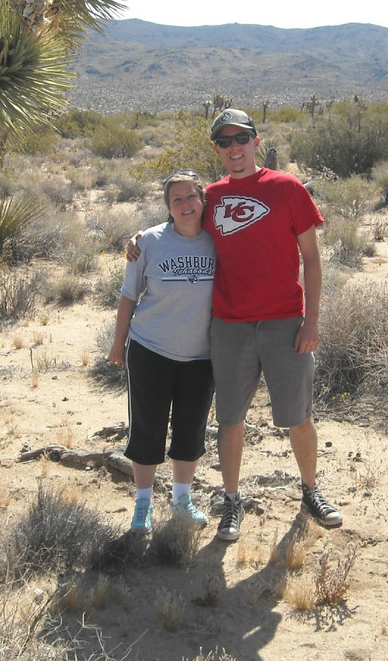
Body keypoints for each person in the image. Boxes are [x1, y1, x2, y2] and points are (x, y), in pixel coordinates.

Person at [128, 109, 343, 541]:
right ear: (217, 150)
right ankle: (231, 500)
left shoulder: (288, 188)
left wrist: (312, 320)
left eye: (241, 138)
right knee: (230, 419)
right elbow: (178, 223)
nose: (234, 148)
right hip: (229, 326)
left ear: (256, 141)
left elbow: (313, 258)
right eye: (224, 142)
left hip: (285, 321)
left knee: (298, 415)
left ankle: (310, 490)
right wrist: (136, 238)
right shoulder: (212, 197)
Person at [109, 171, 216, 534]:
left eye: (191, 197)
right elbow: (128, 296)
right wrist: (117, 343)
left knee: (191, 430)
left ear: (203, 199)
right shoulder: (149, 242)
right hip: (150, 350)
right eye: (177, 200)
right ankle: (143, 505)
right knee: (147, 428)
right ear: (168, 208)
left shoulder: (218, 241)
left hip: (201, 356)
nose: (185, 205)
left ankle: (181, 501)